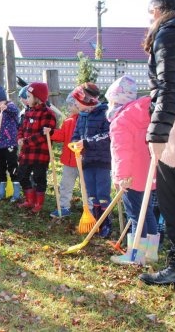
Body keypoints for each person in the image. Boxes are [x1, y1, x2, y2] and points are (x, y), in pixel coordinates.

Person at [140, 0, 175, 288]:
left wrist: (157, 133)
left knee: (172, 200)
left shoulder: (169, 33)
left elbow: (170, 86)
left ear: (157, 8)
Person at [105, 76, 159, 265]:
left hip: (131, 176)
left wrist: (121, 177)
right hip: (148, 173)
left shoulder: (122, 121)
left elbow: (122, 151)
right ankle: (151, 252)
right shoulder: (145, 114)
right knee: (148, 212)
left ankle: (135, 256)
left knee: (136, 215)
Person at [71, 82, 112, 238]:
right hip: (86, 161)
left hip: (101, 161)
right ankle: (95, 221)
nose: (75, 104)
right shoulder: (81, 117)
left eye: (77, 101)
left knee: (102, 193)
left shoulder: (104, 114)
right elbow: (76, 134)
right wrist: (75, 143)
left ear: (87, 101)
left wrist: (86, 143)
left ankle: (105, 222)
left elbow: (108, 135)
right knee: (91, 193)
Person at [17, 82, 56, 213]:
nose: (26, 99)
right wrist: (20, 138)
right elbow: (21, 128)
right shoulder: (28, 112)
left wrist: (26, 141)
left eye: (28, 96)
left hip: (40, 154)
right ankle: (29, 200)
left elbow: (44, 135)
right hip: (26, 153)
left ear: (37, 97)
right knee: (22, 175)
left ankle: (39, 203)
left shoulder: (48, 114)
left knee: (39, 177)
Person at [44, 93, 80, 218]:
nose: (69, 107)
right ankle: (64, 207)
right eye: (68, 104)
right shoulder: (68, 121)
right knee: (65, 185)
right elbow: (62, 136)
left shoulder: (86, 120)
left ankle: (91, 209)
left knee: (86, 187)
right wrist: (52, 132)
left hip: (82, 161)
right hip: (68, 161)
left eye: (71, 105)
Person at [0, 86, 20, 201]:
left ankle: (16, 191)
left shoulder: (10, 107)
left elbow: (14, 110)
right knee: (0, 166)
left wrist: (6, 107)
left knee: (12, 165)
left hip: (10, 143)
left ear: (5, 100)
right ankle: (2, 190)